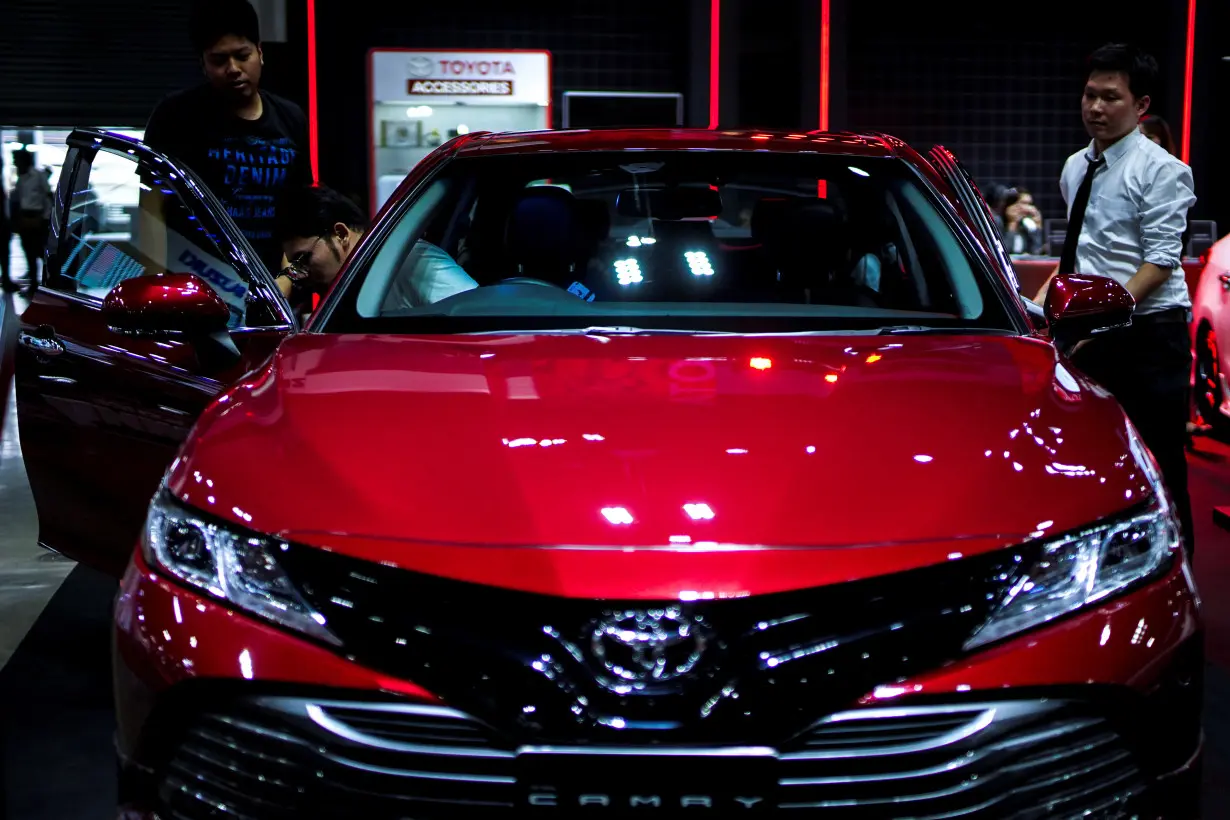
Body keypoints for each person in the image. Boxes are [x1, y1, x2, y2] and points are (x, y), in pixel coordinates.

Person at [1036, 43, 1197, 556]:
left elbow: (1162, 260)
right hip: (1091, 330)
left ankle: (1176, 565)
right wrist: (1043, 304)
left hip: (1151, 334)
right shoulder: (1074, 167)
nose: (1096, 108)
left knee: (1159, 461)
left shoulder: (1161, 170)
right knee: (1089, 456)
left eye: (1110, 97)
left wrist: (1102, 311)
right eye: (1089, 95)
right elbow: (1082, 252)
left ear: (1141, 105)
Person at [143, 0, 312, 273]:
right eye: (219, 60)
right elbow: (152, 205)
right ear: (203, 64)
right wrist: (155, 281)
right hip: (195, 288)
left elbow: (298, 211)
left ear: (260, 53)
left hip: (270, 290)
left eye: (242, 56)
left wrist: (288, 280)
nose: (233, 68)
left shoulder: (291, 118)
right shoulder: (175, 115)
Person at [272, 184, 475, 314]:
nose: (302, 274)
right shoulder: (340, 293)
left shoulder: (414, 262)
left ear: (341, 234)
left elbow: (476, 319)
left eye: (305, 258)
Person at [11, 150, 52, 292]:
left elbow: (48, 196)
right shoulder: (21, 178)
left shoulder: (38, 175)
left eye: (16, 159)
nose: (15, 163)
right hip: (25, 219)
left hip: (37, 219)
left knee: (40, 251)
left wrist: (45, 217)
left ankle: (51, 281)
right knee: (29, 253)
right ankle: (34, 284)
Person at [1000, 187, 1045, 255]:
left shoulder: (1025, 225)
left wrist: (1037, 227)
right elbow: (1004, 253)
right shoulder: (998, 222)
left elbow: (1036, 252)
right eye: (1024, 203)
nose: (1029, 208)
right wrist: (1012, 223)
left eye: (1030, 204)